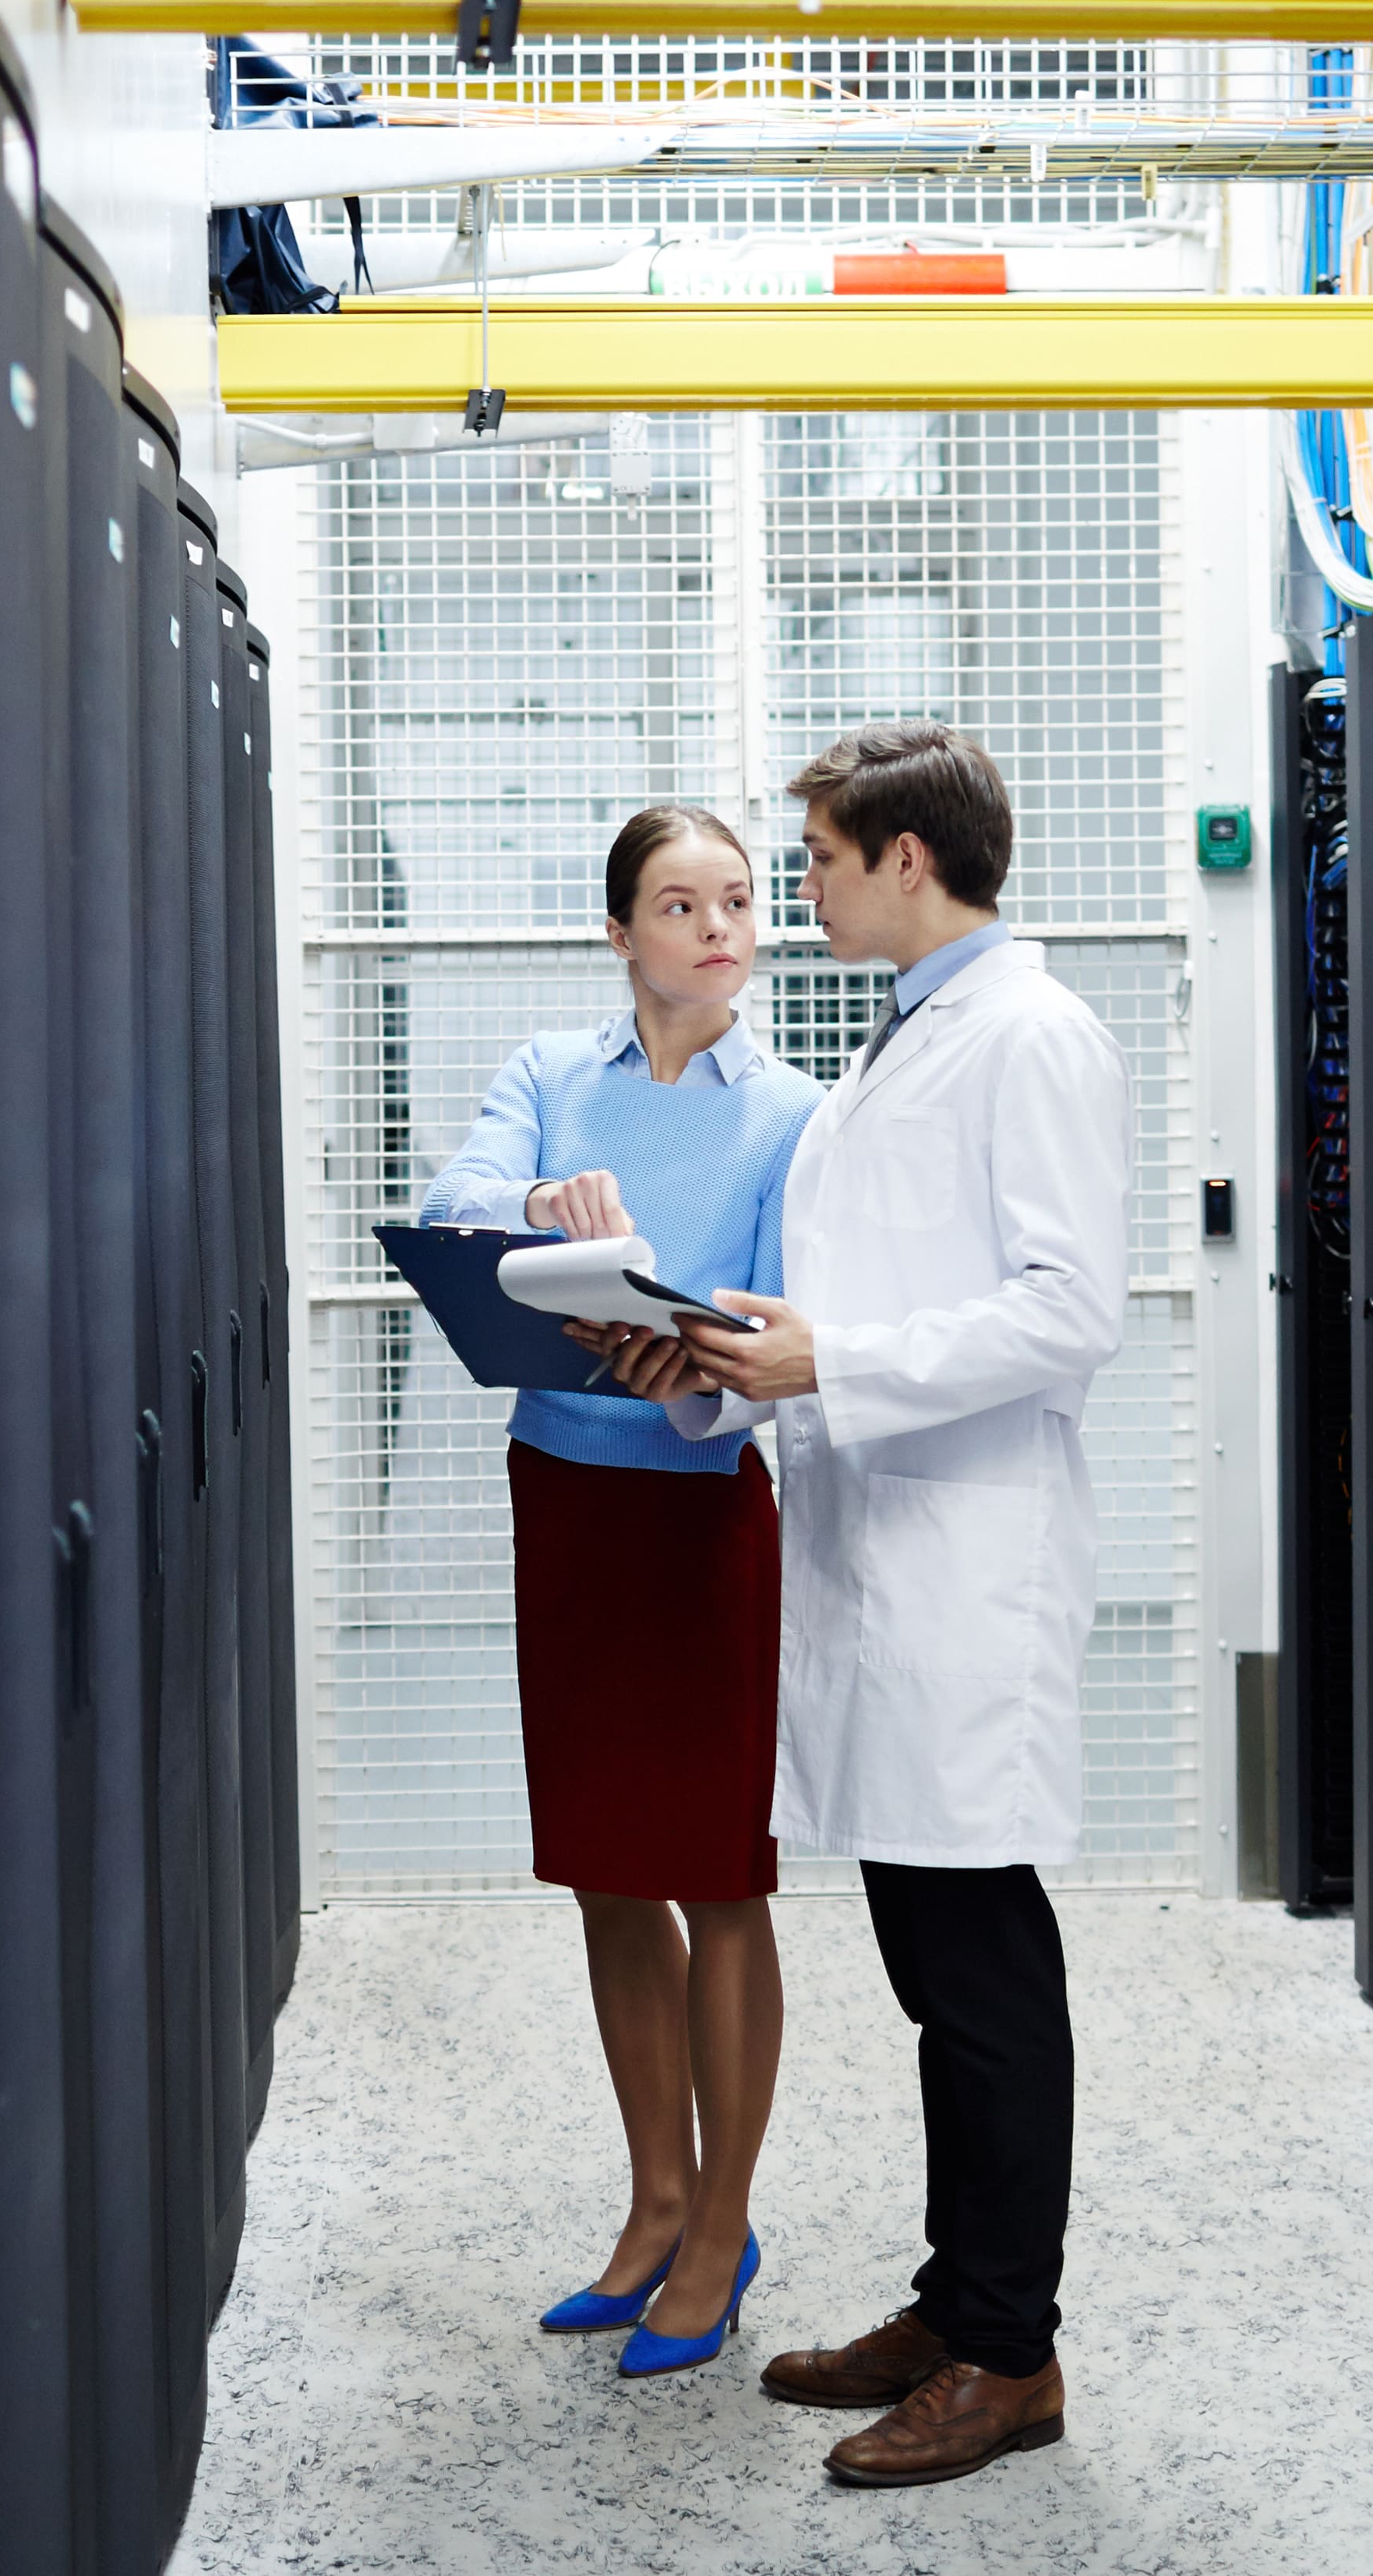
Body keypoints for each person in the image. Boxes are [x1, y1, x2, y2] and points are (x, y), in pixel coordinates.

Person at [588, 722, 1128, 2491]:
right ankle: (957, 2299)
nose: (789, 886)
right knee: (931, 1966)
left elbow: (1067, 1311)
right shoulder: (906, 1039)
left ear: (909, 858)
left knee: (979, 1977)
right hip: (879, 1557)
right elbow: (859, 1304)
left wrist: (837, 1357)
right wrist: (714, 1358)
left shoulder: (1031, 1036)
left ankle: (1009, 2354)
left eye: (812, 857)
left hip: (962, 1575)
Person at [414, 804, 825, 2377]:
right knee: (605, 1867)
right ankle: (653, 2200)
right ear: (618, 932)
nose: (718, 926)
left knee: (717, 1875)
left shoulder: (795, 1111)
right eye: (679, 902)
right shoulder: (547, 1076)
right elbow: (456, 1205)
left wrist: (689, 1380)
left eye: (735, 900)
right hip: (565, 1502)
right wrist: (539, 1210)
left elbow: (780, 1337)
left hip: (698, 1502)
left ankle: (722, 2225)